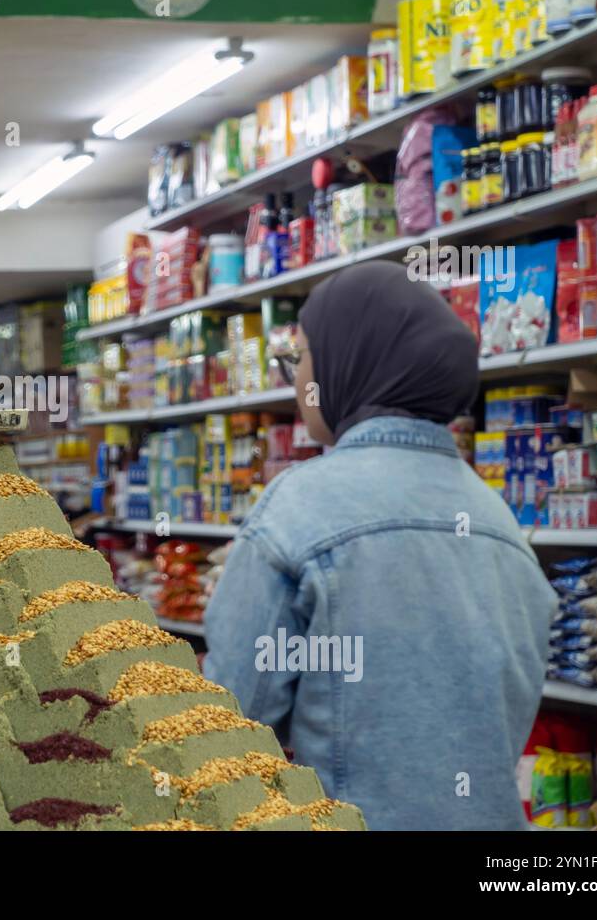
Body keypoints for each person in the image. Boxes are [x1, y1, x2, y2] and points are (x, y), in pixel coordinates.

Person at [202, 263, 556, 830]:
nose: (294, 381)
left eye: (300, 359)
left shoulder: (299, 510)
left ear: (348, 361)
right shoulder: (502, 524)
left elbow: (223, 732)